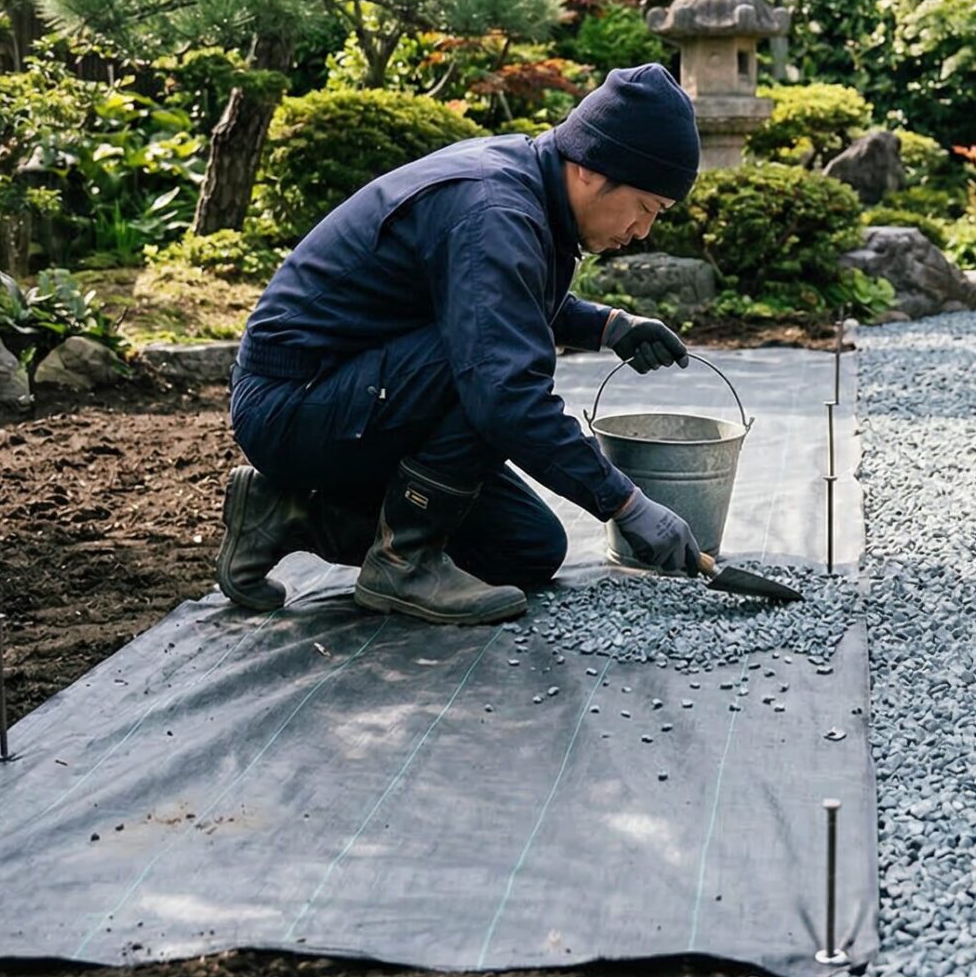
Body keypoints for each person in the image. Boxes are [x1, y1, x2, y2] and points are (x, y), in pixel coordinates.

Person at [216, 64, 706, 625]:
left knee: (527, 549)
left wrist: (608, 325)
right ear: (595, 169)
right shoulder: (494, 208)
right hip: (294, 401)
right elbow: (504, 390)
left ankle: (285, 511)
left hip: (361, 393)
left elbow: (491, 296)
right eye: (646, 208)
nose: (642, 231)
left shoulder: (528, 185)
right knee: (489, 373)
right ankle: (404, 561)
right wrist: (625, 503)